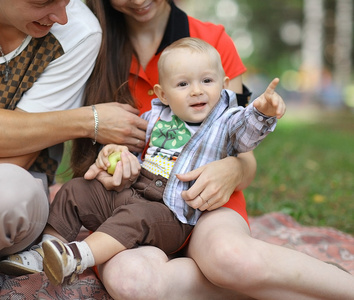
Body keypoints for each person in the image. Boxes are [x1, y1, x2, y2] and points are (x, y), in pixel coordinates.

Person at [0, 0, 147, 299]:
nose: (60, 16)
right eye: (43, 2)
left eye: (67, 0)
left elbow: (19, 153)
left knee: (12, 196)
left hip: (5, 188)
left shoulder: (79, 30)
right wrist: (86, 120)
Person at [39, 37, 286, 286]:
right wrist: (116, 152)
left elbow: (247, 134)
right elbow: (129, 145)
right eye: (182, 84)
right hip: (133, 191)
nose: (197, 90)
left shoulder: (227, 121)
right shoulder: (156, 115)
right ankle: (45, 251)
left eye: (207, 81)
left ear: (224, 85)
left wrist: (261, 112)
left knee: (136, 216)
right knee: (76, 189)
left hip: (171, 214)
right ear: (163, 94)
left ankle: (76, 257)